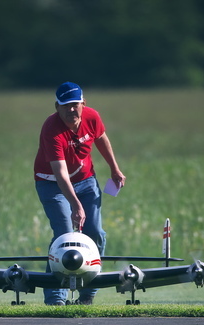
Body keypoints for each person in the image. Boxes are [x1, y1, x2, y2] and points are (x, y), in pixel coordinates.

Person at [34, 82, 126, 305]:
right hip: (52, 184)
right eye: (65, 106)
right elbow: (61, 173)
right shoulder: (51, 128)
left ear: (83, 104)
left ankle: (88, 293)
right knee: (65, 235)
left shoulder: (92, 117)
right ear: (57, 107)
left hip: (86, 181)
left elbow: (102, 139)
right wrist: (75, 205)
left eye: (75, 105)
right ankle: (56, 298)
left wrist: (114, 168)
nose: (71, 110)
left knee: (95, 233)